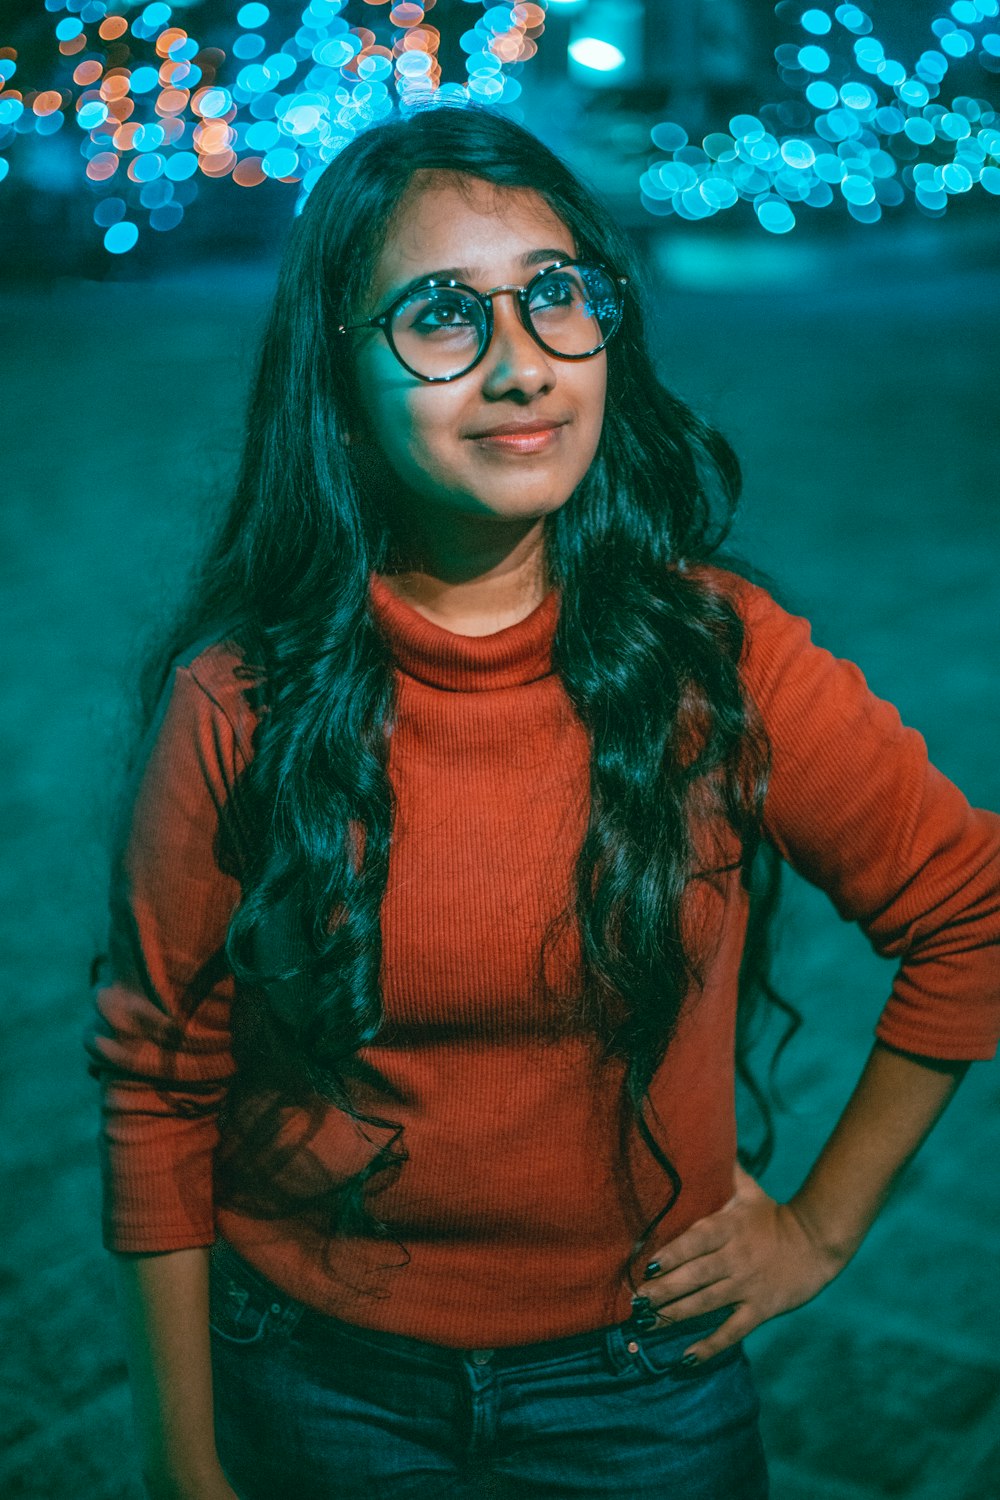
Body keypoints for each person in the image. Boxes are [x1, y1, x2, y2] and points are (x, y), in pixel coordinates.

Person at [84, 104, 1000, 1500]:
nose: (519, 366)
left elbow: (972, 913)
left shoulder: (723, 661)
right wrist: (183, 1462)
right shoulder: (242, 701)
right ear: (340, 369)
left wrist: (816, 1233)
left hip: (642, 1392)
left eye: (557, 297)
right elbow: (159, 1076)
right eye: (441, 315)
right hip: (318, 1383)